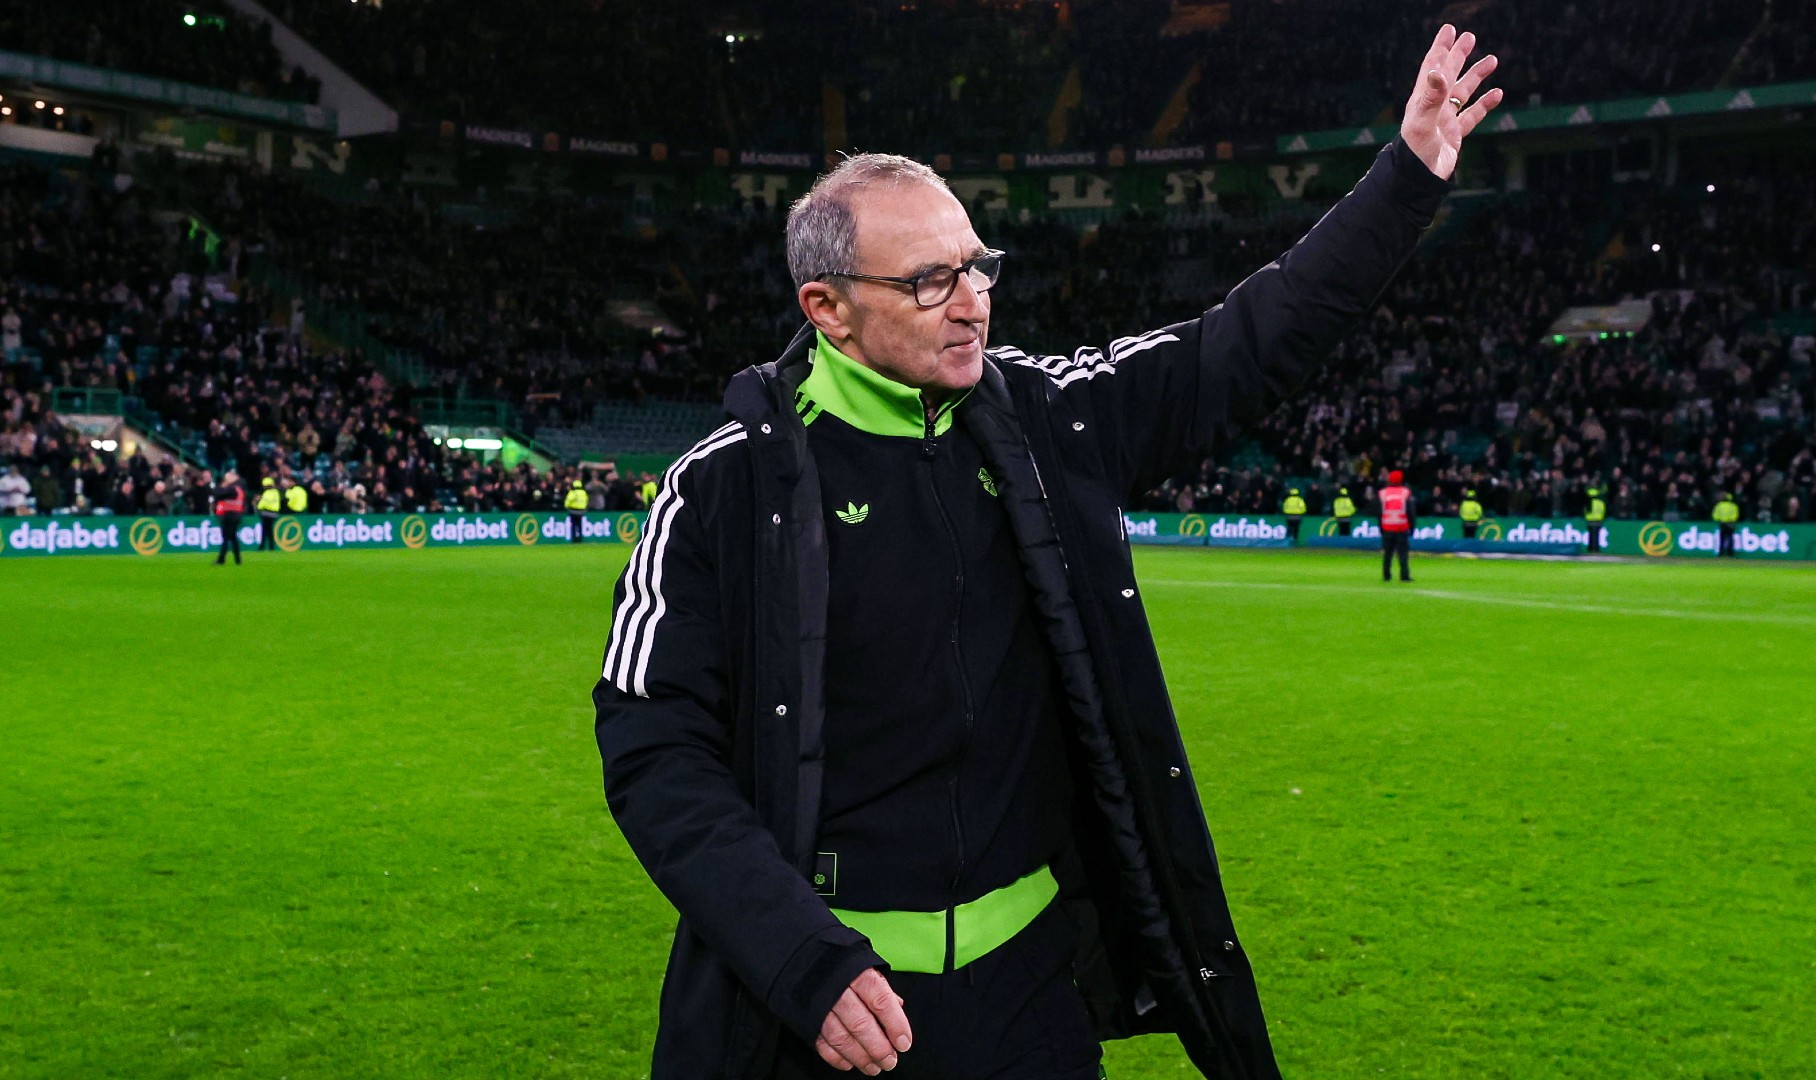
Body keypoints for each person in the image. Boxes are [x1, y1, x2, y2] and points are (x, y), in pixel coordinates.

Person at [592, 26, 1499, 1080]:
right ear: (828, 310)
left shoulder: (1046, 418)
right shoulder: (721, 488)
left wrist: (1407, 179)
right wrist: (800, 956)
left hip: (1030, 1000)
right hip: (826, 1007)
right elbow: (655, 751)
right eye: (930, 281)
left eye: (978, 267)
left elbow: (1241, 345)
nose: (972, 301)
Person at [1379, 469, 1415, 582]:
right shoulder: (1405, 492)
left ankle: (1386, 575)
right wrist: (1412, 527)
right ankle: (1404, 575)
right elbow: (1410, 512)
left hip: (1387, 527)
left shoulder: (1383, 493)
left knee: (1387, 553)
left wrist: (1381, 527)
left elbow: (1379, 512)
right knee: (1403, 553)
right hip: (1401, 527)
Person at [213, 471, 247, 566]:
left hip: (229, 515)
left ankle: (221, 559)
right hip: (237, 514)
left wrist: (222, 486)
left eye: (227, 478)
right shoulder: (239, 489)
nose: (226, 480)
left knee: (226, 537)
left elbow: (218, 494)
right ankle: (237, 559)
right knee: (233, 537)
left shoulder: (231, 489)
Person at [256, 477, 282, 551]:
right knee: (269, 530)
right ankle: (270, 547)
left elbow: (263, 503)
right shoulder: (276, 492)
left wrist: (258, 505)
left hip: (266, 513)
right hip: (274, 513)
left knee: (265, 531)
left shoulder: (267, 493)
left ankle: (263, 547)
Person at [1712, 492, 1740, 557]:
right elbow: (1735, 516)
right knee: (1730, 538)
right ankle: (1730, 553)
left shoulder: (1719, 505)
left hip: (1722, 523)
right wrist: (1730, 520)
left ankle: (1721, 553)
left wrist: (1720, 519)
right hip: (1730, 524)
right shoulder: (1733, 506)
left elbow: (1715, 516)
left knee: (1722, 539)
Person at [565, 478, 590, 542]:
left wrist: (566, 507)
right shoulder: (584, 493)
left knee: (573, 525)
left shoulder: (573, 492)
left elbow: (568, 501)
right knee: (580, 525)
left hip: (573, 511)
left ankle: (574, 538)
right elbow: (586, 501)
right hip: (581, 511)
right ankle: (580, 538)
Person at [1583, 486, 1606, 554]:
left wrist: (1587, 517)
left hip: (1590, 521)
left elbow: (1585, 512)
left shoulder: (1588, 502)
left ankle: (1590, 548)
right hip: (1598, 520)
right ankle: (1596, 549)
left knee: (1591, 536)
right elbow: (1603, 511)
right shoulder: (1600, 502)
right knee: (1596, 536)